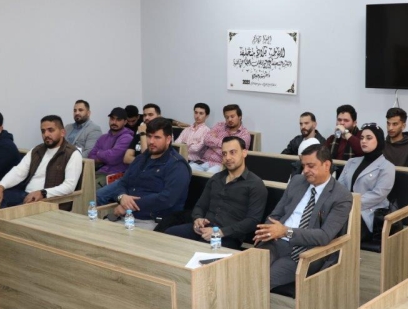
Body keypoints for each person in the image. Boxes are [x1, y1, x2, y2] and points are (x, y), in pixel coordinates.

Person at [253, 145, 353, 289]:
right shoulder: (297, 181)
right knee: (245, 270)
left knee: (260, 281)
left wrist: (286, 232)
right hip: (274, 242)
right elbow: (276, 214)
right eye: (303, 165)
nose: (305, 170)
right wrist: (266, 231)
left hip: (304, 252)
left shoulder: (341, 196)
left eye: (310, 166)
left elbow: (324, 236)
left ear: (326, 165)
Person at [166, 136, 267, 249]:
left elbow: (252, 221)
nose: (228, 157)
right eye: (224, 154)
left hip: (228, 236)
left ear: (244, 153)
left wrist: (220, 232)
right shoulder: (216, 179)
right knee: (170, 235)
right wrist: (198, 219)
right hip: (204, 229)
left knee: (203, 249)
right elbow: (200, 206)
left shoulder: (255, 184)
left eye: (232, 152)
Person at [96, 118, 191, 230]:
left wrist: (128, 205)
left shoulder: (177, 165)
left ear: (168, 139)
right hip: (125, 216)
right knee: (95, 231)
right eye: (149, 136)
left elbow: (166, 199)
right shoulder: (141, 159)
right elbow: (122, 182)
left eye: (157, 137)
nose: (151, 141)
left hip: (153, 221)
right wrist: (122, 196)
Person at [0, 115, 81, 208]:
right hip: (25, 194)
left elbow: (69, 186)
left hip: (47, 200)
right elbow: (19, 171)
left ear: (62, 132)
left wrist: (43, 193)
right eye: (43, 131)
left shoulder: (72, 154)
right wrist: (0, 186)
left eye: (51, 130)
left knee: (9, 211)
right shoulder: (37, 150)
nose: (46, 134)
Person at [337, 124, 395, 242]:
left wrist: (349, 204)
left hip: (367, 215)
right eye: (362, 138)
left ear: (379, 141)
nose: (363, 141)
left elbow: (378, 195)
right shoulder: (351, 162)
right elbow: (339, 187)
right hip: (345, 209)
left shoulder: (387, 167)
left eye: (369, 138)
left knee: (338, 223)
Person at [192, 104, 251, 173]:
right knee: (188, 169)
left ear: (240, 117)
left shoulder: (244, 134)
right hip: (204, 161)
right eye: (227, 117)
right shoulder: (220, 125)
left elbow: (236, 155)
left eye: (232, 116)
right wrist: (226, 147)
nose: (229, 119)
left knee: (210, 174)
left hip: (221, 165)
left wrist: (213, 145)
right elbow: (206, 139)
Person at [88, 107, 134, 181]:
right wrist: (106, 156)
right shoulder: (103, 137)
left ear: (125, 122)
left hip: (116, 175)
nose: (114, 122)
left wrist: (99, 153)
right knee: (79, 183)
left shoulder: (127, 138)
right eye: (112, 119)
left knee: (90, 186)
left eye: (118, 120)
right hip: (100, 171)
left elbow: (112, 158)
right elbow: (91, 157)